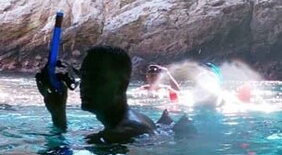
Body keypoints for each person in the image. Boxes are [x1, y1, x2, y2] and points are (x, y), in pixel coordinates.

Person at [36, 45, 190, 143]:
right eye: (84, 77)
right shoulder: (137, 119)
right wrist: (58, 113)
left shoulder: (119, 135)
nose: (85, 86)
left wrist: (59, 122)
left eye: (97, 79)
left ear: (122, 85)